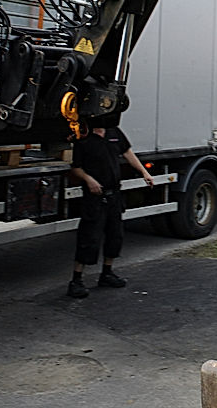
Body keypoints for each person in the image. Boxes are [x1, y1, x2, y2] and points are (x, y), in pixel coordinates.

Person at [68, 118, 154, 298]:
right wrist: (88, 179)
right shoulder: (83, 136)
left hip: (114, 194)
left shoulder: (114, 132)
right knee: (89, 236)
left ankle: (107, 273)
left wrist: (144, 172)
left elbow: (128, 153)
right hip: (94, 197)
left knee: (115, 235)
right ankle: (76, 280)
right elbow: (76, 167)